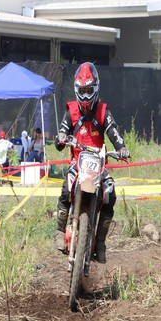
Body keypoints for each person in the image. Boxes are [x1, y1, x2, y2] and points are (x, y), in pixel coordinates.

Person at [54, 62, 130, 264]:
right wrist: (61, 138)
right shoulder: (71, 111)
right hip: (77, 163)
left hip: (98, 164)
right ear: (76, 90)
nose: (86, 96)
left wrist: (121, 147)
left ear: (95, 89)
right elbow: (62, 133)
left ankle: (101, 243)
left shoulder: (103, 111)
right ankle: (59, 231)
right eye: (82, 91)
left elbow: (113, 132)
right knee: (65, 189)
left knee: (110, 195)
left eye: (89, 90)